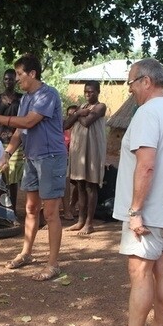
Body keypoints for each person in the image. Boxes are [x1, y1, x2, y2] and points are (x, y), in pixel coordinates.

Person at [91, 58, 163, 326]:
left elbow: (146, 166)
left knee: (140, 270)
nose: (130, 89)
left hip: (148, 212)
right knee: (162, 267)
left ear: (146, 81)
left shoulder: (147, 114)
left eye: (131, 82)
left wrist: (135, 211)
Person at [0, 54, 67, 282]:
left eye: (20, 74)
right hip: (32, 158)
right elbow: (20, 132)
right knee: (32, 208)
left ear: (32, 74)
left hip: (50, 157)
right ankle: (26, 253)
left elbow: (28, 122)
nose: (17, 79)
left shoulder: (47, 94)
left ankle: (53, 264)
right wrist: (6, 154)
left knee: (51, 212)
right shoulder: (25, 99)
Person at [64, 81, 107, 236]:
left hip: (92, 151)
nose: (88, 94)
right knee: (80, 185)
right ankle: (80, 221)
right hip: (79, 151)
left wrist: (76, 115)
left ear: (98, 92)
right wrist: (76, 114)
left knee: (91, 186)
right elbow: (65, 125)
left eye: (91, 92)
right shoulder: (81, 108)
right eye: (86, 92)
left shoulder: (100, 107)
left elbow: (87, 122)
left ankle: (89, 223)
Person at [0, 68, 24, 210]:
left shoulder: (21, 99)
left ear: (16, 80)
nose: (8, 81)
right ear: (3, 80)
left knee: (12, 178)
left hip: (15, 143)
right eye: (6, 79)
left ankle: (12, 209)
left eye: (11, 78)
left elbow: (24, 121)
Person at [62, 104, 79, 221]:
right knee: (65, 182)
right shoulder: (63, 127)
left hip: (77, 159)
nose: (72, 117)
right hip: (65, 158)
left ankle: (73, 205)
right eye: (69, 115)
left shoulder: (81, 128)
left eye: (74, 114)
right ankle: (66, 210)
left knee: (80, 183)